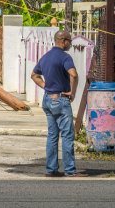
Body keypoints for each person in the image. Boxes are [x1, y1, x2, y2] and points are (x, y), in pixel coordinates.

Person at [31, 30, 86, 177]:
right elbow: (73, 74)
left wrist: (45, 86)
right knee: (67, 135)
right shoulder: (65, 57)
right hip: (61, 100)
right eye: (69, 41)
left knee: (52, 135)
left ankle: (51, 169)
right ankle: (70, 170)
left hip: (47, 99)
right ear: (63, 41)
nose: (70, 44)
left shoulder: (46, 57)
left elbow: (34, 75)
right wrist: (72, 92)